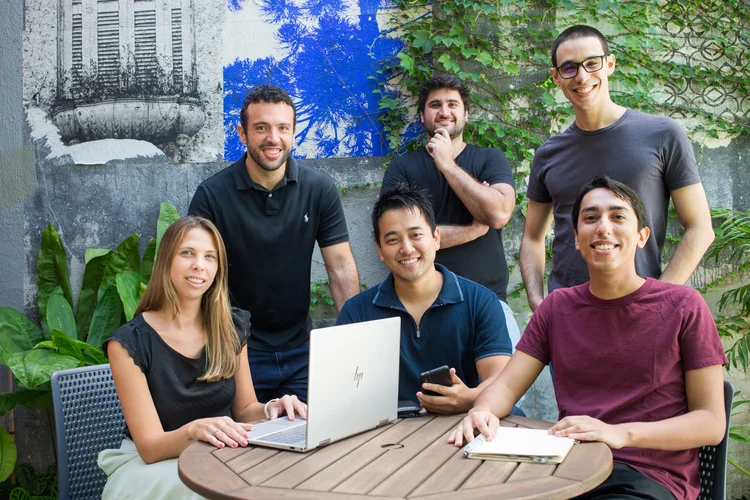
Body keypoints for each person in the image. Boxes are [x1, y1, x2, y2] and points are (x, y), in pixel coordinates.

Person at [451, 177, 727, 500]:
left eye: (618, 216)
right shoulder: (556, 308)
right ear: (577, 240)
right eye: (591, 218)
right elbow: (507, 386)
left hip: (646, 479)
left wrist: (617, 434)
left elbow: (711, 422)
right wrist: (482, 410)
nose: (603, 228)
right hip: (567, 470)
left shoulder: (683, 306)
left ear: (642, 236)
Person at [98, 216, 307, 499]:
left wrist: (273, 408)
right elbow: (149, 447)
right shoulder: (129, 343)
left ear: (218, 269)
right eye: (187, 253)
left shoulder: (231, 327)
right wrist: (196, 430)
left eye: (210, 257)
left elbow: (245, 409)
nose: (199, 265)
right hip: (149, 466)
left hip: (218, 456)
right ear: (166, 261)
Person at [520, 25, 714, 311]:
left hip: (641, 311)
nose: (583, 77)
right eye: (570, 68)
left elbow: (700, 228)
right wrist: (538, 302)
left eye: (591, 63)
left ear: (609, 64)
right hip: (568, 316)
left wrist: (660, 297)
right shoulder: (549, 153)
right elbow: (532, 237)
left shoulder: (662, 134)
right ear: (557, 77)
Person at [188, 85, 360, 402]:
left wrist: (355, 338)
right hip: (236, 352)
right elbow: (195, 277)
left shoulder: (319, 189)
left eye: (282, 128)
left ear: (293, 133)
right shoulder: (212, 195)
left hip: (302, 352)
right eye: (261, 128)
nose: (273, 138)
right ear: (242, 133)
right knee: (244, 447)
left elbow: (339, 266)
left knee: (314, 443)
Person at [337, 184, 522, 416]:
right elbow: (339, 394)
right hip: (388, 440)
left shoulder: (480, 302)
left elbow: (500, 380)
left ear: (436, 238)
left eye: (416, 235)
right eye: (393, 240)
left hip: (467, 426)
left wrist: (470, 399)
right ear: (380, 250)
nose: (406, 248)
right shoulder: (357, 313)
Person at [381, 74, 520, 348]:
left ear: (465, 114)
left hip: (488, 300)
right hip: (423, 305)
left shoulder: (490, 159)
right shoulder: (402, 169)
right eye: (435, 105)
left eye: (452, 104)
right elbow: (400, 237)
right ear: (422, 116)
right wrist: (472, 229)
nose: (444, 112)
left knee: (505, 389)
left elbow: (499, 214)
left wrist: (446, 164)